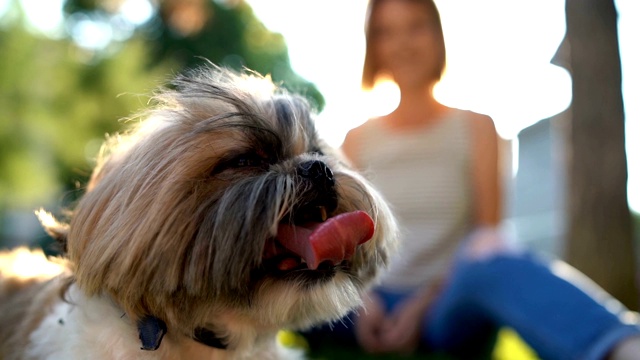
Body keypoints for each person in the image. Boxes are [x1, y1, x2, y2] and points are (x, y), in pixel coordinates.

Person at [304, 0, 640, 359]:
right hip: (366, 302)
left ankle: (621, 346)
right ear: (374, 44)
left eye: (415, 27)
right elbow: (340, 239)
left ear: (437, 35)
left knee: (495, 259)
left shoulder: (477, 127)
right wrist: (363, 299)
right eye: (387, 32)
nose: (402, 43)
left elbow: (485, 237)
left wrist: (421, 306)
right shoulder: (356, 139)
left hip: (446, 302)